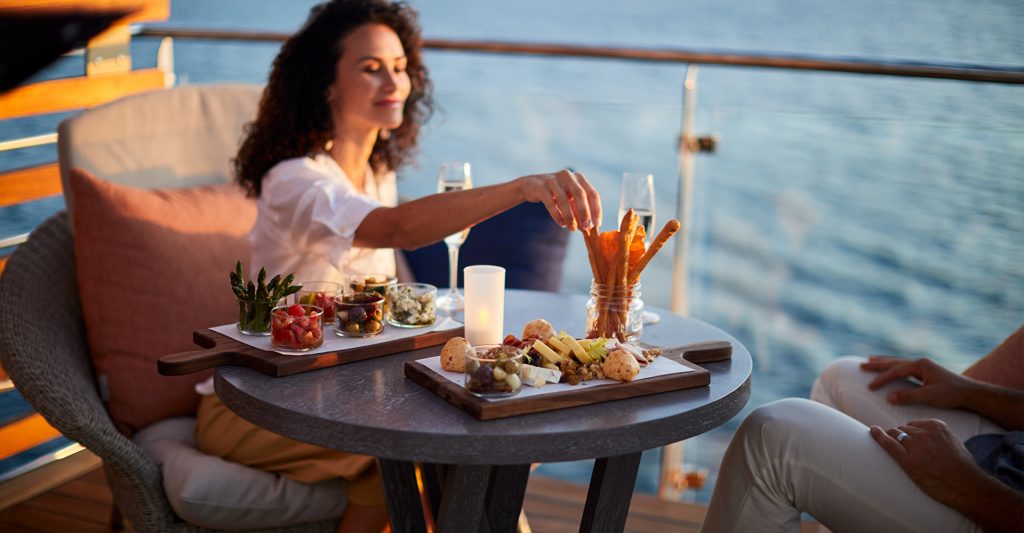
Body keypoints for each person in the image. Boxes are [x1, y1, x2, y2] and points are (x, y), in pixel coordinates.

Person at [193, 1, 603, 531]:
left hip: (335, 395)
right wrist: (522, 188)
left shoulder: (375, 174)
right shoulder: (295, 181)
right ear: (327, 84)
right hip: (256, 408)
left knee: (460, 446)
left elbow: (394, 294)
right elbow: (392, 228)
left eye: (399, 65)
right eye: (370, 67)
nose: (393, 80)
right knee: (427, 457)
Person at [700, 325, 1024, 533]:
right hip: (1006, 453)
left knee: (773, 437)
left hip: (996, 509)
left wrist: (967, 486)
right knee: (840, 379)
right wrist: (967, 390)